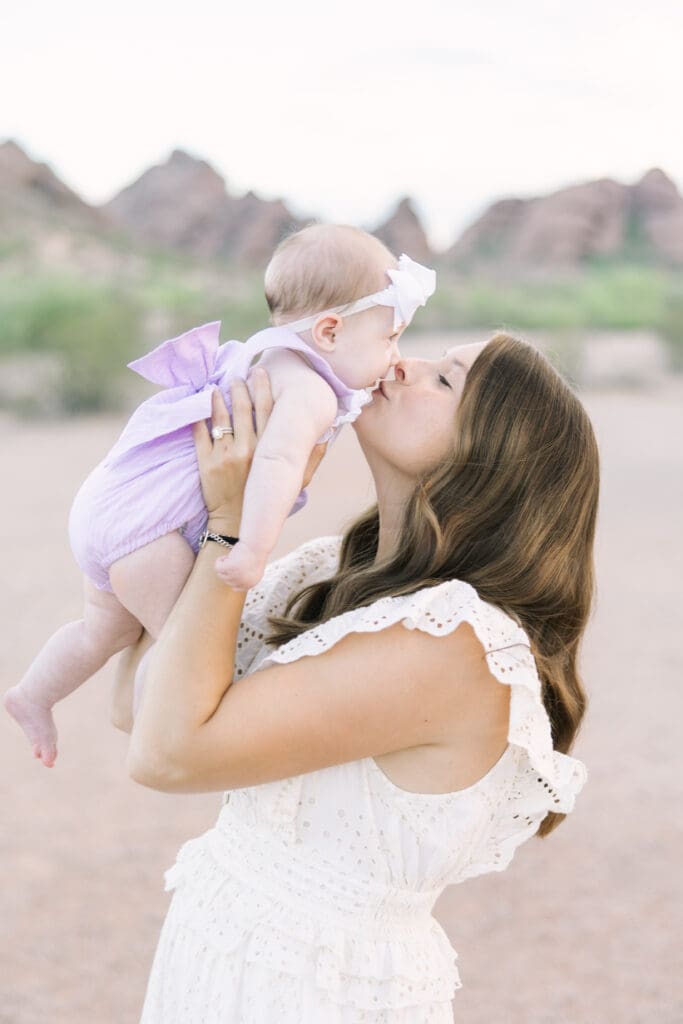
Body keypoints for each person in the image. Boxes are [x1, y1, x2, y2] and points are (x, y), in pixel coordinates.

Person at [118, 331, 598, 1022]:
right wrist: (180, 496)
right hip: (226, 957)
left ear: (490, 459)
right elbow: (136, 705)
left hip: (315, 990)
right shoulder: (332, 575)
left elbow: (167, 753)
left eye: (444, 380)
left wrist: (233, 529)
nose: (404, 363)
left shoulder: (453, 642)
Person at [4, 224, 436, 768]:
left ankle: (34, 694)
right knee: (186, 651)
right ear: (328, 332)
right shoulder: (311, 392)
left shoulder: (266, 356)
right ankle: (164, 731)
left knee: (102, 629)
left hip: (112, 509)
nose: (395, 356)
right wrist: (251, 549)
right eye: (389, 339)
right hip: (150, 532)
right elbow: (277, 464)